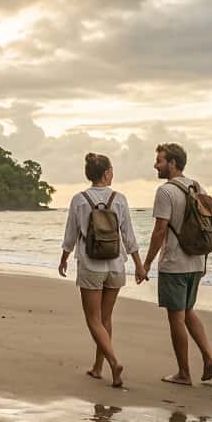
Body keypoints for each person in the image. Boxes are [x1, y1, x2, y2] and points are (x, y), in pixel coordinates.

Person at [59, 152, 143, 388]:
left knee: (93, 320)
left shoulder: (79, 199)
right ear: (106, 173)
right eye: (112, 170)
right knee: (105, 318)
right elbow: (128, 235)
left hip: (91, 265)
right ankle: (98, 367)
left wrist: (64, 258)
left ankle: (113, 362)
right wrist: (138, 264)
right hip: (116, 265)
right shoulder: (120, 198)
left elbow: (71, 234)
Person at [139, 142, 212, 386]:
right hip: (196, 261)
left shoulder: (165, 191)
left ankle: (184, 373)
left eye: (160, 161)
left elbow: (160, 230)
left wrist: (148, 263)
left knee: (176, 318)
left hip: (174, 263)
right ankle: (208, 356)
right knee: (188, 311)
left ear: (173, 163)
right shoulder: (197, 186)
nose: (156, 165)